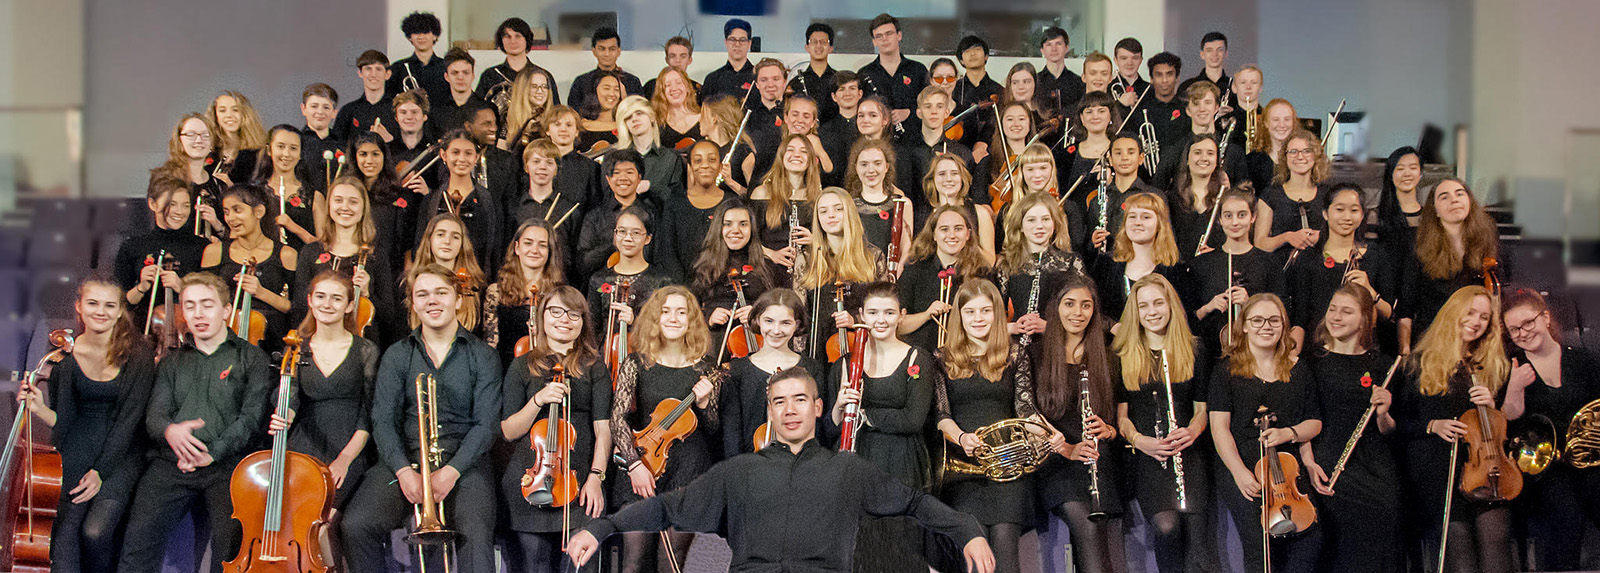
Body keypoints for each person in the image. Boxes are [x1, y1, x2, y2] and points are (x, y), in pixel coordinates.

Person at [564, 368, 996, 573]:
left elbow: (916, 503)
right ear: (769, 410)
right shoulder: (738, 472)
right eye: (780, 402)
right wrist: (601, 528)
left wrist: (968, 530)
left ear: (818, 407)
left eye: (800, 400)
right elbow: (666, 508)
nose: (790, 410)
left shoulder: (847, 471)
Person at [339, 264, 502, 573]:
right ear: (413, 304)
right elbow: (383, 420)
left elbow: (486, 425)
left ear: (457, 299)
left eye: (441, 293)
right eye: (423, 294)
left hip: (463, 464)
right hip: (407, 461)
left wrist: (452, 471)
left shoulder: (482, 355)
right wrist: (402, 471)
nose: (432, 301)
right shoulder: (398, 355)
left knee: (477, 539)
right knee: (356, 525)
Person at [115, 272, 275, 572]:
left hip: (227, 465)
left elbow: (251, 418)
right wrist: (170, 431)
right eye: (189, 306)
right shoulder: (172, 361)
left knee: (229, 553)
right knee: (137, 544)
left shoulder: (251, 357)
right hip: (172, 462)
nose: (198, 314)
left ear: (227, 311)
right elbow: (155, 416)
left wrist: (211, 453)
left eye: (207, 305)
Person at [19, 279, 155, 572]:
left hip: (122, 455)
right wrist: (39, 408)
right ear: (79, 307)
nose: (101, 312)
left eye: (110, 305)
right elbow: (66, 420)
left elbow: (129, 421)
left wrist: (100, 472)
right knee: (63, 538)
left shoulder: (139, 355)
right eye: (93, 303)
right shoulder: (64, 358)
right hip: (77, 448)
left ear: (120, 311)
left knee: (95, 532)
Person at [1391, 286, 1512, 573]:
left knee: (1497, 540)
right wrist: (1432, 425)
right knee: (1459, 551)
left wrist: (1493, 405)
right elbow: (1396, 424)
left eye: (1484, 317)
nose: (1476, 321)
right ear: (1452, 313)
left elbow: (1505, 425)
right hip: (1438, 467)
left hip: (1486, 468)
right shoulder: (1417, 363)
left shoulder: (1491, 364)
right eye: (1470, 313)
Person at [498, 285, 613, 572]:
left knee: (580, 566)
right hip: (531, 482)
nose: (565, 319)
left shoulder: (594, 366)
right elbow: (509, 430)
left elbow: (603, 431)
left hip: (579, 483)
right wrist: (538, 399)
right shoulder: (522, 365)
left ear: (583, 322)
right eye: (556, 311)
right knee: (534, 565)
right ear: (542, 316)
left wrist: (596, 478)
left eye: (574, 314)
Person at [828, 282, 941, 573]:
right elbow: (833, 427)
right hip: (858, 461)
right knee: (861, 554)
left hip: (901, 463)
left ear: (901, 315)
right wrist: (840, 406)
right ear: (861, 314)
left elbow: (913, 420)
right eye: (874, 312)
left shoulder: (918, 358)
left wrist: (864, 414)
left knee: (900, 553)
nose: (881, 320)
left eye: (889, 312)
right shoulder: (844, 362)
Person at [608, 286, 720, 573]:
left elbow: (713, 430)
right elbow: (618, 419)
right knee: (633, 563)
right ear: (654, 318)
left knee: (671, 564)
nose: (673, 318)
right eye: (666, 311)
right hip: (643, 464)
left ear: (691, 320)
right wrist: (634, 464)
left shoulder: (706, 368)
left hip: (689, 472)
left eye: (681, 312)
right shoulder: (635, 363)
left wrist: (706, 403)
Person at [1208, 293, 1322, 571]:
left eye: (1274, 320)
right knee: (1260, 544)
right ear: (1244, 325)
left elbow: (1314, 422)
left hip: (1288, 467)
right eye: (1257, 320)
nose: (1266, 326)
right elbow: (1219, 428)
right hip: (1244, 465)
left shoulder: (1299, 370)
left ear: (1284, 326)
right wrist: (1238, 472)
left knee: (1311, 538)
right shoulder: (1227, 370)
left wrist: (1288, 433)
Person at [932, 279, 1037, 573]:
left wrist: (1050, 436)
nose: (978, 319)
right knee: (975, 565)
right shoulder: (942, 358)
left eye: (986, 311)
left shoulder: (1015, 354)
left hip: (1007, 474)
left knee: (1006, 560)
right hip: (965, 474)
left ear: (997, 315)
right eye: (970, 312)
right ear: (960, 317)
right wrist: (962, 437)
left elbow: (1026, 410)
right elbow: (941, 414)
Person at [1112, 273, 1213, 573]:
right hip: (1148, 457)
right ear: (1136, 312)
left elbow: (1203, 409)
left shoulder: (1195, 349)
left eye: (1158, 303)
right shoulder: (1121, 354)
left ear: (1171, 305)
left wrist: (1192, 431)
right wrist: (1142, 441)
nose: (1152, 312)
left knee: (1197, 545)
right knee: (1166, 527)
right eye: (1144, 306)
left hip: (1189, 455)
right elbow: (1121, 418)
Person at [1300, 284, 1402, 573]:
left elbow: (1389, 430)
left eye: (1346, 311)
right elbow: (1302, 416)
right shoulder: (1310, 361)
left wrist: (1384, 412)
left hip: (1375, 465)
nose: (1336, 317)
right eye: (1332, 309)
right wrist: (1309, 463)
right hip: (1328, 462)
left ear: (1364, 318)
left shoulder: (1382, 364)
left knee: (1384, 522)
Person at [1500, 289, 1600, 571]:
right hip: (1544, 470)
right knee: (1568, 518)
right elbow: (1507, 421)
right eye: (1514, 330)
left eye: (1527, 323)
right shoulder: (1513, 369)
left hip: (1589, 460)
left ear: (1544, 317)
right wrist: (1514, 388)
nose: (1522, 333)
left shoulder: (1583, 360)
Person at [1033, 276, 1126, 573]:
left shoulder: (1108, 358)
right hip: (1056, 461)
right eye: (1069, 304)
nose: (1078, 312)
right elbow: (1028, 413)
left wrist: (1109, 429)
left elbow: (1119, 417)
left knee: (1105, 547)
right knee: (1086, 528)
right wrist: (1068, 448)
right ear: (1055, 308)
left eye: (1086, 305)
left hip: (1098, 460)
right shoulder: (1036, 353)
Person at [270, 271, 380, 507]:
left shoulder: (366, 350)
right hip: (305, 444)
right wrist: (285, 416)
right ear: (310, 301)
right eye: (320, 297)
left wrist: (345, 459)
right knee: (296, 511)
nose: (327, 304)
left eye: (336, 298)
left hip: (351, 445)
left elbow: (369, 413)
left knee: (326, 519)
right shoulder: (296, 347)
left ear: (350, 306)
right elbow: (291, 395)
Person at [1287, 183, 1395, 350]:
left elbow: (1388, 315)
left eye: (1353, 210)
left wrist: (1370, 292)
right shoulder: (1308, 257)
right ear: (1325, 213)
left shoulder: (1376, 255)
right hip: (1317, 348)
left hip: (1361, 348)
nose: (1346, 217)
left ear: (1361, 216)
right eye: (1339, 209)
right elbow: (1299, 317)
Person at [1399, 179, 1502, 354]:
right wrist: (1405, 350)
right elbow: (1406, 306)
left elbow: (1497, 300)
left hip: (1475, 343)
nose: (1454, 200)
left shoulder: (1487, 241)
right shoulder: (1419, 247)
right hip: (1432, 343)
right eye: (1444, 197)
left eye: (1459, 194)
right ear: (1435, 211)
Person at [291, 176, 393, 339]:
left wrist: (367, 294)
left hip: (363, 346)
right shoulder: (310, 252)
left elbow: (389, 317)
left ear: (363, 207)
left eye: (353, 202)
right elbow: (299, 308)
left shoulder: (376, 256)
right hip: (316, 342)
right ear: (329, 205)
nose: (345, 207)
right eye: (338, 200)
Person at [202, 183, 299, 354]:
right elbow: (204, 300)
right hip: (226, 339)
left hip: (271, 343)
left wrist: (260, 292)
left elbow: (293, 307)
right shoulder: (215, 252)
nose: (230, 218)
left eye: (237, 210)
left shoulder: (286, 254)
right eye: (226, 212)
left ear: (259, 212)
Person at [723, 289, 821, 455]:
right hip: (750, 466)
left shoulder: (811, 368)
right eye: (769, 321)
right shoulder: (737, 370)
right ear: (757, 320)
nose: (776, 331)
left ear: (796, 325)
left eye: (785, 323)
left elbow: (819, 427)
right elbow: (731, 432)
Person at [797, 187, 885, 359]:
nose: (831, 215)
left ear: (850, 213)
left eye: (838, 209)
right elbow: (799, 314)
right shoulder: (807, 258)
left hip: (863, 347)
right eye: (823, 211)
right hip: (818, 351)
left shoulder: (873, 256)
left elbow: (885, 311)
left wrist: (856, 322)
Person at [1190, 189, 1282, 353]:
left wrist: (1250, 304)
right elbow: (1189, 318)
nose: (1234, 222)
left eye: (1241, 215)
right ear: (1220, 219)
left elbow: (1281, 313)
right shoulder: (1203, 263)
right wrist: (1208, 307)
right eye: (1228, 215)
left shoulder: (1268, 263)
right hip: (1211, 352)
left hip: (1256, 352)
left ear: (1253, 217)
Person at [116, 173, 211, 328]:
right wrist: (141, 287)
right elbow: (121, 304)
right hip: (142, 331)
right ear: (153, 204)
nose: (180, 212)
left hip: (189, 332)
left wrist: (182, 288)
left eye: (186, 205)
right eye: (172, 204)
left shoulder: (203, 247)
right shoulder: (132, 246)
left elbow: (214, 301)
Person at [689, 200, 778, 356]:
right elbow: (688, 310)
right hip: (714, 345)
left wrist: (759, 314)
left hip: (756, 346)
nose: (735, 230)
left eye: (743, 224)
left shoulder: (766, 266)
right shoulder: (702, 265)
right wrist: (708, 319)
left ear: (752, 229)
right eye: (727, 224)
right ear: (718, 228)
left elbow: (781, 309)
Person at [997, 192, 1086, 346]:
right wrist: (1013, 327)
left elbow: (1083, 314)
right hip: (1019, 347)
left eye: (1045, 219)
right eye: (1031, 220)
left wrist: (1049, 327)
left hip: (1059, 346)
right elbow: (992, 314)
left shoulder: (1071, 263)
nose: (1039, 226)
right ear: (1021, 226)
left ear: (1054, 223)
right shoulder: (1007, 265)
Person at [898, 205, 991, 352]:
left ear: (968, 234)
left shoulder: (982, 273)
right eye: (944, 229)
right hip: (921, 354)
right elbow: (898, 326)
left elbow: (992, 322)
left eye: (958, 229)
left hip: (966, 355)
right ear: (934, 234)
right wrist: (926, 315)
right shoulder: (915, 270)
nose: (952, 235)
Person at [418, 129, 504, 278]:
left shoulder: (490, 201)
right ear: (443, 155)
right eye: (455, 152)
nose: (462, 159)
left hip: (477, 282)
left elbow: (497, 250)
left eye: (468, 153)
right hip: (437, 280)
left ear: (476, 157)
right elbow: (420, 247)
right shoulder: (431, 201)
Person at [1092, 192, 1192, 321]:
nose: (1137, 222)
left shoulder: (1175, 271)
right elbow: (1095, 312)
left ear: (1159, 225)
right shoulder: (1105, 265)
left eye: (1146, 217)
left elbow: (1183, 318)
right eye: (1132, 217)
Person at [482, 218, 567, 367]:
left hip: (548, 367)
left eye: (542, 245)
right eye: (528, 243)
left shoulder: (559, 295)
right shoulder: (496, 292)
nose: (534, 250)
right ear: (517, 247)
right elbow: (490, 345)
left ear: (550, 252)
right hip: (505, 369)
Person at [586, 206, 674, 346]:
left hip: (646, 353)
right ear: (615, 236)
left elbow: (666, 328)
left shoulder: (661, 281)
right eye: (622, 231)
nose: (628, 238)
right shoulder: (599, 280)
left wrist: (635, 321)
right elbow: (591, 328)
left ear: (648, 239)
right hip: (605, 356)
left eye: (636, 233)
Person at [655, 141, 733, 281]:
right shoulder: (674, 203)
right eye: (698, 160)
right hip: (683, 288)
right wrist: (683, 290)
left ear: (720, 166)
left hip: (723, 286)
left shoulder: (732, 203)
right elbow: (668, 252)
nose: (705, 165)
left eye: (712, 160)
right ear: (690, 167)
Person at [576, 149, 658, 282]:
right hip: (601, 286)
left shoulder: (652, 213)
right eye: (616, 173)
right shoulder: (594, 216)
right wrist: (613, 245)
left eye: (630, 172)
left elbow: (658, 256)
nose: (623, 178)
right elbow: (583, 264)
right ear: (608, 179)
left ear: (639, 178)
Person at [749, 133, 823, 275]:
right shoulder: (762, 193)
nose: (797, 155)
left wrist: (815, 240)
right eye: (790, 150)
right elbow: (749, 238)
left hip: (808, 272)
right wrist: (771, 254)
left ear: (811, 160)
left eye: (803, 151)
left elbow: (833, 240)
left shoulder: (819, 198)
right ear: (781, 157)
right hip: (769, 269)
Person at [1254, 130, 1328, 268]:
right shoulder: (1271, 195)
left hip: (1320, 268)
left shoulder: (1328, 194)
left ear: (1316, 156)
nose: (1300, 156)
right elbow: (1260, 243)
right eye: (1293, 151)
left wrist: (1322, 236)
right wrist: (1287, 237)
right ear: (1285, 157)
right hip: (1282, 270)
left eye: (1307, 151)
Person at [506, 139, 582, 270]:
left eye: (549, 162)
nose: (542, 167)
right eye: (536, 161)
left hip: (559, 280)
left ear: (556, 169)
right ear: (526, 166)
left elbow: (574, 255)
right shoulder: (513, 207)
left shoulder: (568, 208)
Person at [897, 86, 975, 210]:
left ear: (946, 112)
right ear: (919, 112)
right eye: (928, 106)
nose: (934, 111)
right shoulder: (904, 151)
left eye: (939, 106)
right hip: (914, 219)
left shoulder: (961, 153)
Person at [154, 113, 228, 238]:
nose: (199, 140)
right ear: (179, 141)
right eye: (191, 135)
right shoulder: (165, 180)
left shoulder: (219, 183)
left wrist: (216, 225)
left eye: (205, 135)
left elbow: (230, 233)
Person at [410, 213, 487, 332]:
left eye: (455, 237)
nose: (447, 241)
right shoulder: (410, 282)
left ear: (462, 244)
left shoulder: (476, 286)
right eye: (440, 234)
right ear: (429, 239)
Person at [254, 124, 320, 250]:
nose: (286, 154)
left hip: (300, 265)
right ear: (269, 150)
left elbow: (323, 246)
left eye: (293, 148)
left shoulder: (314, 196)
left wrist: (293, 227)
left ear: (300, 154)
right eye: (280, 147)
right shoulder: (255, 192)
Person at [857, 13, 928, 128]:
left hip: (913, 139)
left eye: (889, 33)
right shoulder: (864, 73)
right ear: (874, 41)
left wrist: (910, 112)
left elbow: (929, 104)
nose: (884, 39)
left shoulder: (918, 69)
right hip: (878, 138)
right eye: (879, 36)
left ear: (899, 35)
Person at [920, 152, 995, 259]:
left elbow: (990, 260)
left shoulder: (980, 213)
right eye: (942, 174)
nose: (949, 179)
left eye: (954, 173)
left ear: (962, 178)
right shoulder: (924, 214)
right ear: (933, 180)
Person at [615, 95, 687, 198]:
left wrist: (651, 186)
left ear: (651, 117)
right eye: (628, 117)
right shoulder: (617, 159)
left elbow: (677, 199)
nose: (634, 119)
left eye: (639, 113)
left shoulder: (670, 158)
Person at [1165, 134, 1225, 256]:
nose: (1204, 158)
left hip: (1215, 267)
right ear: (1187, 159)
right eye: (1197, 153)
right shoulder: (1170, 199)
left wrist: (1216, 253)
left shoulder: (1226, 199)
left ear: (1217, 160)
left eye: (1210, 153)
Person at [1374, 146, 1425, 280]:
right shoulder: (1375, 216)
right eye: (1400, 169)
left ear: (1420, 174)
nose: (1407, 174)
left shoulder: (1430, 217)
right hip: (1386, 288)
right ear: (1391, 175)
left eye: (1413, 168)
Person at [567, 26, 643, 114]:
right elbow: (573, 114)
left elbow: (641, 112)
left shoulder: (632, 81)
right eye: (602, 49)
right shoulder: (581, 82)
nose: (607, 54)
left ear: (619, 51)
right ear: (594, 51)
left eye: (612, 49)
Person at [545, 105, 605, 209]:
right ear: (547, 130)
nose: (563, 129)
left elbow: (595, 206)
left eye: (569, 125)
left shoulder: (591, 168)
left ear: (577, 131)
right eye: (557, 124)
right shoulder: (537, 164)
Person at [952, 35, 1004, 154]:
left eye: (977, 49)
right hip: (958, 149)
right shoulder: (954, 89)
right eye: (967, 51)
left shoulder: (999, 90)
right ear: (961, 60)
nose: (972, 54)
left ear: (986, 56)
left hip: (992, 149)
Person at [387, 12, 451, 107]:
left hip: (441, 120)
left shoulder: (447, 67)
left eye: (426, 32)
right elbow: (389, 100)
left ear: (435, 36)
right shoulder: (398, 68)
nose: (421, 37)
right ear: (410, 37)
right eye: (416, 33)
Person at [475, 18, 544, 105]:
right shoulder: (489, 75)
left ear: (527, 40)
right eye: (507, 36)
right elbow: (477, 112)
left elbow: (555, 113)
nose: (512, 41)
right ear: (501, 41)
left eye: (518, 36)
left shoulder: (543, 76)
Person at [333, 50, 397, 144]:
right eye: (368, 69)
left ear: (387, 74)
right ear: (360, 73)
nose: (373, 74)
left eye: (378, 69)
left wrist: (389, 140)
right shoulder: (348, 111)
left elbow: (406, 148)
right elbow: (338, 147)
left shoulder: (398, 110)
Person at [207, 90, 268, 184]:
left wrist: (231, 187)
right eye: (222, 110)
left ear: (244, 114)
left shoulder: (259, 153)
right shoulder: (208, 150)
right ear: (215, 115)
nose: (229, 115)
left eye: (235, 110)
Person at [501, 66, 561, 156]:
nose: (540, 91)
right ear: (523, 89)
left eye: (544, 87)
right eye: (534, 87)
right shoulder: (507, 118)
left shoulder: (554, 118)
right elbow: (501, 155)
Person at [298, 83, 345, 193]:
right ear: (303, 109)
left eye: (326, 107)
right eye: (314, 106)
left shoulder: (343, 144)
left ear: (334, 112)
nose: (320, 112)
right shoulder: (296, 143)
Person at [702, 19, 757, 105]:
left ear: (749, 43)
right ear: (726, 42)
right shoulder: (712, 79)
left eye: (742, 40)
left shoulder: (758, 77)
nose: (737, 44)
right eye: (732, 39)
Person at [1140, 52, 1189, 149]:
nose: (1164, 80)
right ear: (1151, 79)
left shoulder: (1187, 109)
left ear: (1177, 78)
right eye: (1159, 75)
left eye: (1169, 74)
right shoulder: (1141, 110)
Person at [1036, 27, 1086, 118]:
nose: (1054, 49)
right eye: (1049, 45)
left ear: (1066, 48)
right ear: (1042, 50)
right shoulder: (1034, 81)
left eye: (1058, 43)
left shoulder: (1079, 82)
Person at [794, 23, 839, 121]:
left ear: (831, 48)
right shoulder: (796, 82)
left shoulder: (839, 80)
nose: (819, 46)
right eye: (814, 42)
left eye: (823, 42)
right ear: (807, 47)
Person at [651, 66, 703, 148]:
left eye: (678, 83)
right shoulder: (656, 124)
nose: (674, 88)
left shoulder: (704, 119)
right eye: (667, 85)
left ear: (687, 87)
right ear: (661, 92)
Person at [1177, 32, 1233, 108]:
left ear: (1226, 53)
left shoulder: (1234, 87)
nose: (1215, 54)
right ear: (1202, 54)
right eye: (1209, 50)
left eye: (1220, 50)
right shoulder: (1186, 87)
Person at [577, 73, 623, 153]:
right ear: (594, 91)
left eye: (616, 90)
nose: (612, 94)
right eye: (606, 88)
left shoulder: (625, 126)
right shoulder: (579, 127)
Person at [1110, 37, 1149, 108]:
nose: (1130, 63)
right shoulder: (1107, 89)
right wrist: (1120, 104)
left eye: (1135, 58)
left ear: (1141, 60)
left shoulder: (1150, 90)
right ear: (1115, 60)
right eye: (1124, 58)